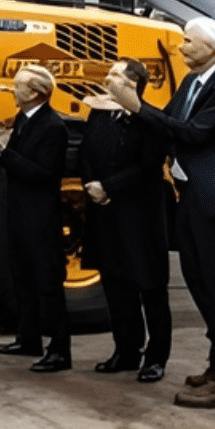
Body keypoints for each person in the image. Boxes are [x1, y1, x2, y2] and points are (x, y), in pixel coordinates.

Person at [103, 17, 215, 409]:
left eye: (188, 42)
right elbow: (167, 123)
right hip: (192, 191)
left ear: (213, 49)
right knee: (196, 277)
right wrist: (127, 111)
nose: (181, 48)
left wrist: (136, 106)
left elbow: (191, 134)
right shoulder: (193, 82)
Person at [78, 59, 172, 384]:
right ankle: (126, 350)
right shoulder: (99, 114)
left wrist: (109, 187)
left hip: (140, 214)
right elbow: (86, 153)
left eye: (115, 74)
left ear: (133, 83)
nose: (108, 78)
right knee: (116, 284)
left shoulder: (152, 120)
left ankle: (156, 357)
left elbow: (149, 167)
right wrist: (91, 185)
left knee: (150, 287)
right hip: (106, 212)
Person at [0, 64, 71, 373]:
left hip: (41, 218)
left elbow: (44, 173)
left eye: (18, 86)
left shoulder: (53, 127)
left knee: (47, 283)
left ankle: (59, 350)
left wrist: (3, 153)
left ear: (35, 93)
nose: (12, 90)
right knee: (23, 278)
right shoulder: (24, 120)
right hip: (19, 213)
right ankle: (28, 337)